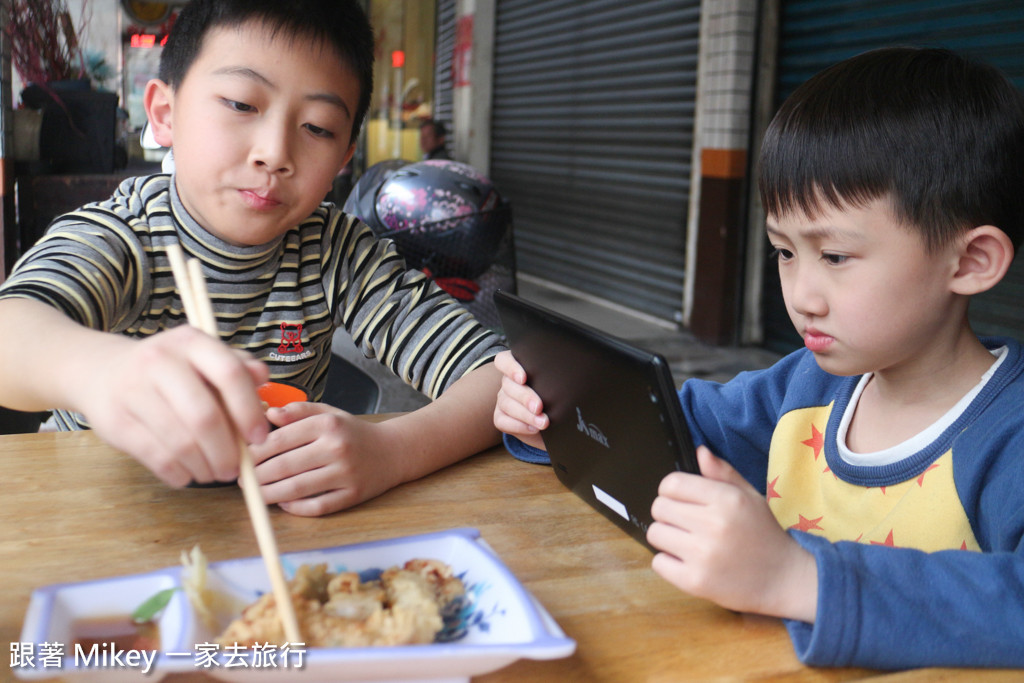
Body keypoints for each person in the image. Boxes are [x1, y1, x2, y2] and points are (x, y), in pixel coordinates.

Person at [493, 47, 1024, 669]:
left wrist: (799, 580)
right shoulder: (802, 390)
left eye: (835, 257)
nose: (801, 296)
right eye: (784, 252)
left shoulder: (1006, 437)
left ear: (970, 262)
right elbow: (669, 425)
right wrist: (551, 407)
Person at [0, 0, 505, 517]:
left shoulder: (337, 252)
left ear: (345, 155)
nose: (275, 152)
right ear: (165, 114)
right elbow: (11, 331)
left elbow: (500, 379)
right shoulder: (123, 236)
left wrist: (393, 451)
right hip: (90, 519)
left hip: (270, 528)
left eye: (318, 128)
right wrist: (103, 372)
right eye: (242, 104)